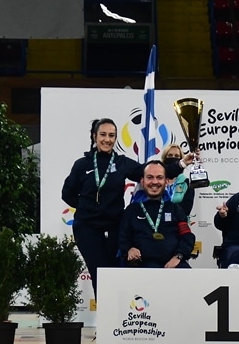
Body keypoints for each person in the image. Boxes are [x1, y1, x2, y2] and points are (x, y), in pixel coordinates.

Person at [62, 118, 192, 296]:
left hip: (114, 225)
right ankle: (106, 316)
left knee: (117, 270)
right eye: (103, 135)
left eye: (112, 135)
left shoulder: (122, 163)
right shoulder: (82, 165)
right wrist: (87, 208)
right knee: (99, 271)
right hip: (87, 227)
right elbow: (67, 193)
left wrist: (181, 164)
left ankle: (119, 315)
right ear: (94, 136)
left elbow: (153, 172)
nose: (107, 139)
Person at [119, 160, 195, 268]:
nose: (154, 182)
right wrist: (129, 249)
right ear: (142, 181)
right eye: (150, 177)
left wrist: (178, 256)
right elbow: (123, 238)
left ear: (166, 181)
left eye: (159, 177)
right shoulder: (131, 210)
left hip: (174, 264)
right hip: (142, 266)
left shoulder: (175, 209)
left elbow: (187, 236)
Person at [160, 143, 195, 216]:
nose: (173, 158)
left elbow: (186, 210)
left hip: (178, 225)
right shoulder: (157, 181)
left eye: (176, 156)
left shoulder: (187, 183)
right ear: (164, 158)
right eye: (170, 155)